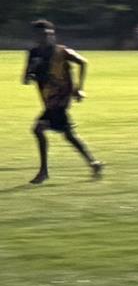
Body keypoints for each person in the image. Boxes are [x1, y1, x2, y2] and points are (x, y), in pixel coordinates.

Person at [22, 19, 103, 184]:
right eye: (42, 35)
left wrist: (79, 88)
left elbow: (82, 62)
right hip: (48, 99)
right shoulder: (33, 53)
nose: (46, 38)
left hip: (60, 99)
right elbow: (25, 78)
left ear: (52, 35)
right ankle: (94, 164)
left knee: (38, 129)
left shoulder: (62, 52)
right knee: (68, 135)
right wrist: (31, 75)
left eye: (48, 34)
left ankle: (44, 171)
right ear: (36, 36)